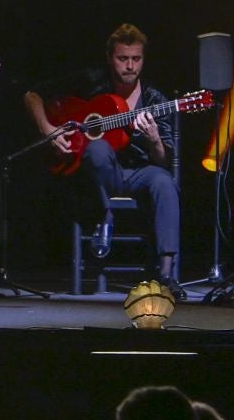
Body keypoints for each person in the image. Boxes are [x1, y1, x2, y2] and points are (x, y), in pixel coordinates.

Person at [23, 24, 182, 286]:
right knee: (97, 148)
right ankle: (103, 217)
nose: (130, 65)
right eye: (123, 59)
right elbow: (32, 95)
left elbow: (163, 161)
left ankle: (165, 273)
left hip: (138, 173)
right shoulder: (91, 82)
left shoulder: (155, 99)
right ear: (110, 58)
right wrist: (48, 130)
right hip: (94, 175)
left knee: (165, 182)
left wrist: (154, 139)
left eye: (136, 59)